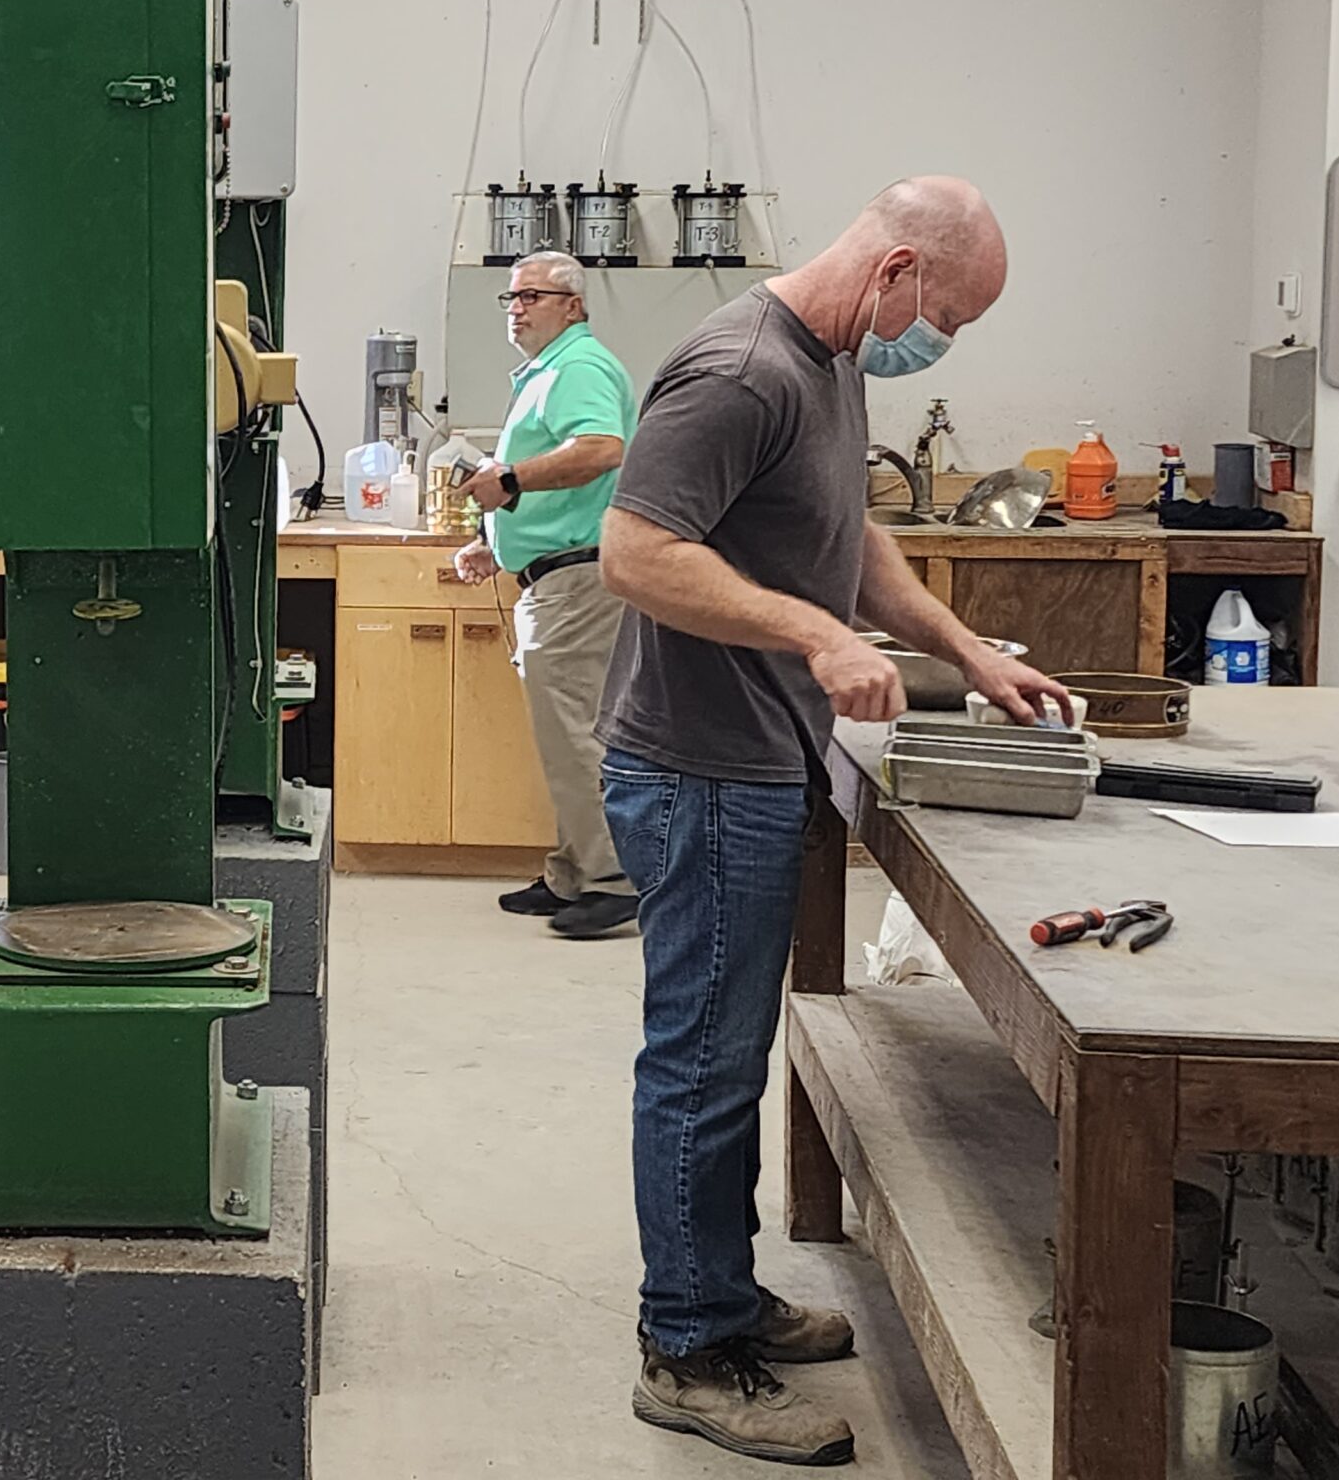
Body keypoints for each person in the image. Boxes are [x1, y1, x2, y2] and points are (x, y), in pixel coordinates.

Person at [594, 177, 1070, 1466]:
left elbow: (850, 540)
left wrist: (965, 649)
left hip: (756, 761)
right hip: (696, 772)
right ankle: (686, 1353)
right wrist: (809, 633)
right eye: (950, 319)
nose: (942, 344)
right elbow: (632, 550)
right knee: (700, 1065)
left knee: (726, 1051)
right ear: (899, 267)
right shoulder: (743, 371)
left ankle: (720, 1293)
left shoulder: (834, 359)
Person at [448, 250, 642, 940]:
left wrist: (512, 483)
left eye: (535, 296)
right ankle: (573, 872)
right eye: (512, 297)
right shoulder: (550, 372)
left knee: (575, 734)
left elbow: (601, 450)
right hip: (559, 573)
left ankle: (612, 880)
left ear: (575, 306)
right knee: (566, 736)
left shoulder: (579, 367)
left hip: (579, 581)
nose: (519, 308)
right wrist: (494, 541)